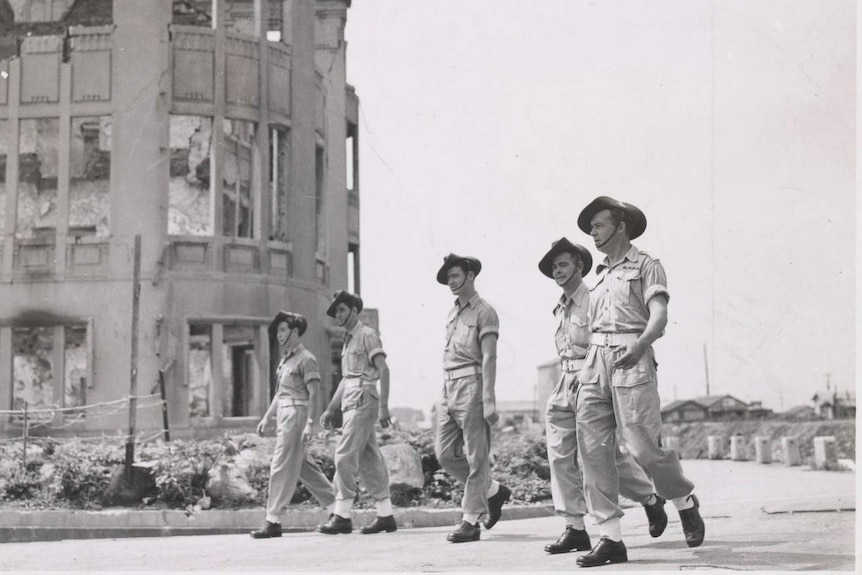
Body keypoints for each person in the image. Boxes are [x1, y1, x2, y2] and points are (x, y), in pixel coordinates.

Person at [573, 197, 705, 567]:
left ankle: (683, 501)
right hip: (594, 365)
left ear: (621, 226)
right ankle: (610, 539)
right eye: (590, 228)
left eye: (598, 225)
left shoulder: (648, 265)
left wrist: (641, 345)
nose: (593, 234)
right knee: (594, 452)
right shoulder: (596, 275)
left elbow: (659, 315)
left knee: (644, 448)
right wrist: (581, 370)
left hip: (632, 357)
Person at [537, 238, 667, 555]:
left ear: (580, 266)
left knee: (605, 458)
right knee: (559, 456)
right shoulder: (560, 305)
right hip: (563, 382)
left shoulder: (595, 297)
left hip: (592, 379)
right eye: (554, 267)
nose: (558, 271)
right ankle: (575, 528)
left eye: (564, 264)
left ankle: (650, 498)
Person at [434, 253, 511, 543]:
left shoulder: (485, 311)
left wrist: (488, 398)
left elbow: (490, 356)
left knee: (475, 458)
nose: (451, 282)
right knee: (444, 453)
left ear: (470, 275)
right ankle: (492, 491)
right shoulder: (453, 312)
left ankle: (471, 521)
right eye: (448, 278)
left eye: (455, 276)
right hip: (449, 388)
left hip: (473, 385)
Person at [250, 311, 336, 539]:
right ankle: (336, 509)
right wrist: (267, 417)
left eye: (283, 330)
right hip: (284, 414)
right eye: (277, 330)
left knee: (280, 464)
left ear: (295, 331)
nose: (278, 335)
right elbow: (280, 392)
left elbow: (315, 393)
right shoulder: (286, 359)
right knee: (305, 467)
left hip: (297, 414)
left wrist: (310, 423)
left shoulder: (306, 359)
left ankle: (273, 520)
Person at [318, 290, 396, 535]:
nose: (338, 315)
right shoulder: (348, 340)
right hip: (351, 400)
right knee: (369, 458)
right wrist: (331, 408)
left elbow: (384, 371)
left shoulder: (367, 335)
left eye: (341, 310)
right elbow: (346, 378)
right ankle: (386, 515)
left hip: (364, 399)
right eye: (336, 312)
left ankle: (342, 514)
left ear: (353, 309)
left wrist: (384, 406)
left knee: (344, 455)